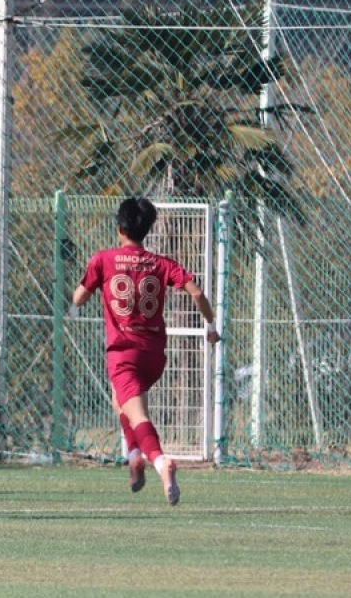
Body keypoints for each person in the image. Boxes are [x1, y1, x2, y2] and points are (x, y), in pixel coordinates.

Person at [71, 197, 220, 506]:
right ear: (147, 229)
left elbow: (79, 299)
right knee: (121, 401)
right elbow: (197, 292)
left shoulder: (104, 259)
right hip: (154, 355)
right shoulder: (162, 263)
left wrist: (85, 286)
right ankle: (134, 454)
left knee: (137, 414)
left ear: (119, 227)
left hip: (123, 354)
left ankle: (160, 461)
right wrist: (210, 324)